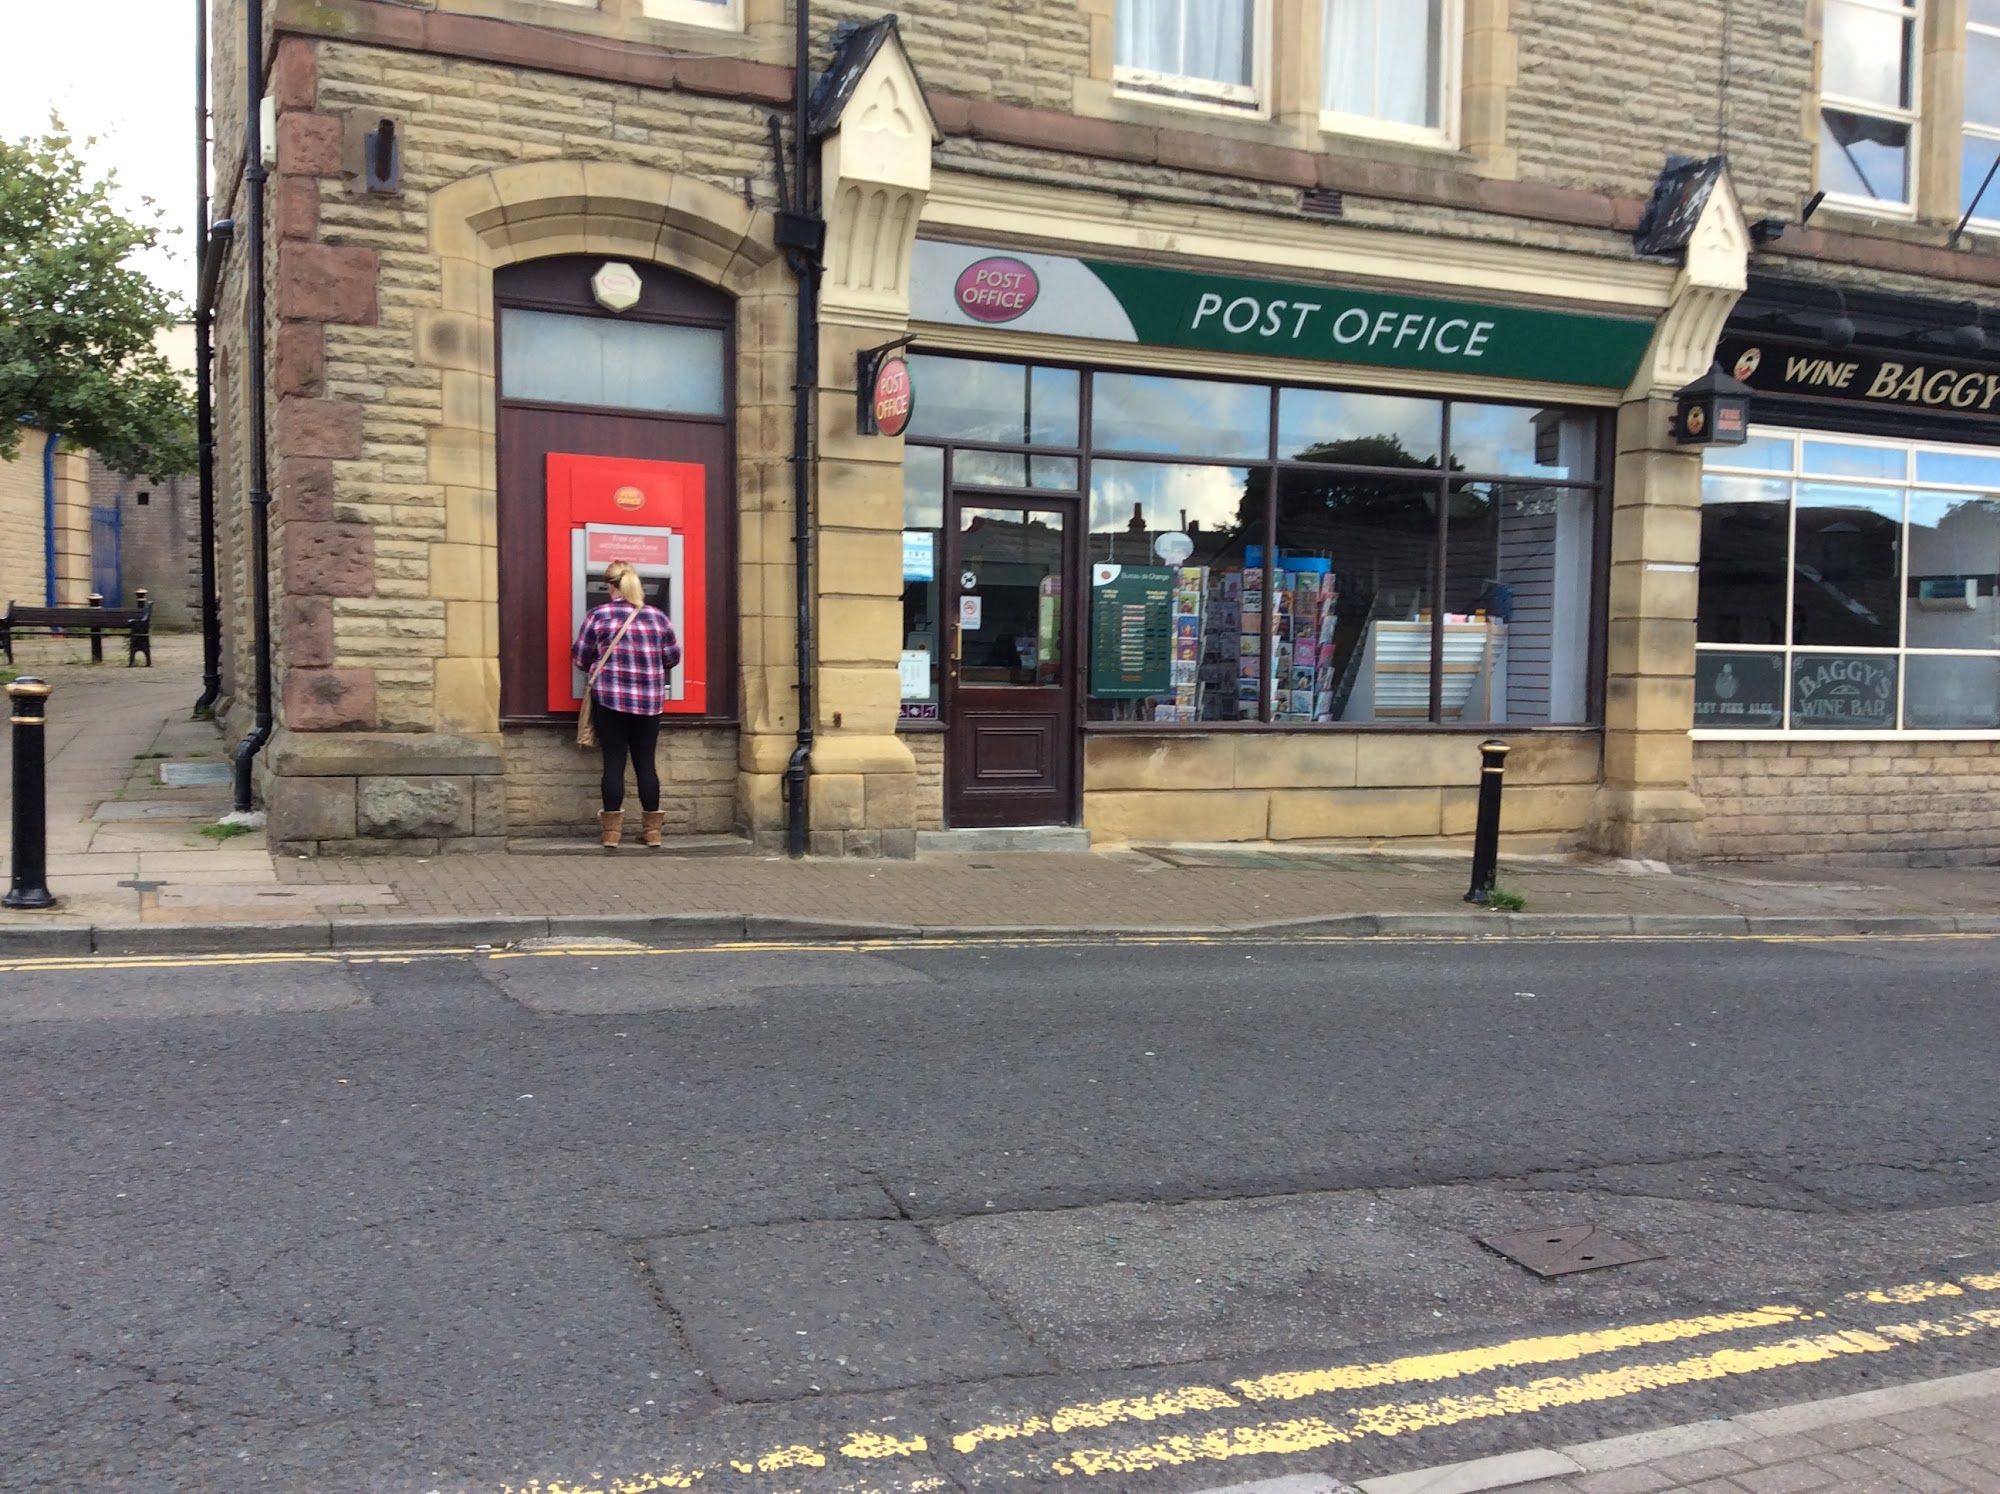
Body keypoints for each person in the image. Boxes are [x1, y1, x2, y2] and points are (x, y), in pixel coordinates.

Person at [571, 559, 681, 848]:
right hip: (650, 702)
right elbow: (672, 658)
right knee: (646, 763)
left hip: (610, 700)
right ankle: (653, 832)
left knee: (614, 762)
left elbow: (581, 657)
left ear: (609, 586)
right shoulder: (657, 617)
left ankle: (611, 834)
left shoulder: (598, 615)